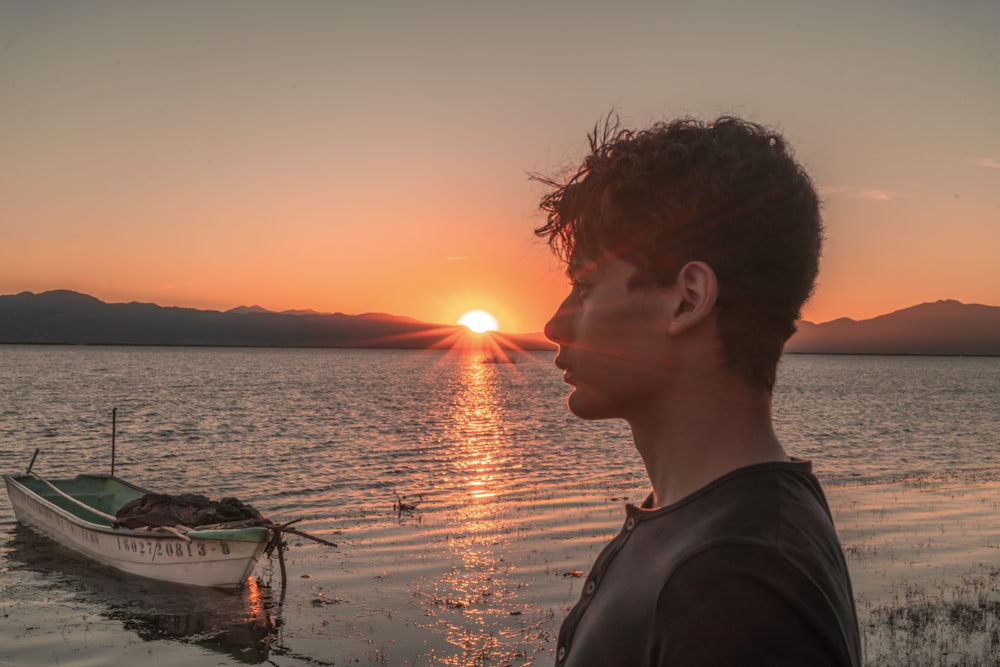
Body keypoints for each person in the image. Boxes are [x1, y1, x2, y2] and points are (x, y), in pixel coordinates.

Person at [534, 115, 861, 666]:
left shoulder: (731, 579)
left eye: (586, 288)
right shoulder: (722, 529)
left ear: (687, 299)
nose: (554, 325)